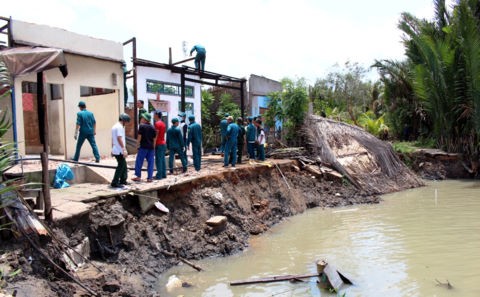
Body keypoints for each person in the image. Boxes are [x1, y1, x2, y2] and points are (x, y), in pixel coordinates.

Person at [132, 113, 156, 182]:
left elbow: (139, 137)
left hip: (143, 147)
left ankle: (138, 176)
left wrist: (137, 145)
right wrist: (153, 148)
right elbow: (154, 139)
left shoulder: (142, 126)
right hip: (151, 148)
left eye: (142, 118)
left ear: (145, 119)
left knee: (139, 162)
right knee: (151, 163)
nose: (141, 119)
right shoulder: (152, 127)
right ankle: (150, 178)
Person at [110, 113, 130, 188]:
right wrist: (124, 149)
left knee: (124, 165)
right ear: (124, 120)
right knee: (121, 166)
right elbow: (119, 138)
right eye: (127, 122)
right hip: (119, 150)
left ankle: (123, 180)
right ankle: (114, 182)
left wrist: (112, 148)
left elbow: (113, 139)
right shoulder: (119, 127)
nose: (126, 124)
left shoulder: (114, 126)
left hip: (116, 149)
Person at [154, 110, 167, 180]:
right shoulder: (163, 124)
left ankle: (159, 175)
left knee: (158, 160)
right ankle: (164, 174)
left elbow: (156, 135)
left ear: (156, 115)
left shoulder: (157, 124)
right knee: (162, 159)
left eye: (154, 114)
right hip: (163, 143)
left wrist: (153, 144)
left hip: (158, 144)